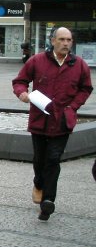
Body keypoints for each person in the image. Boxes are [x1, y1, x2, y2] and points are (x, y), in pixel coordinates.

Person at [12, 26, 92, 220]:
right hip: (40, 119)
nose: (66, 43)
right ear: (53, 41)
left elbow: (86, 88)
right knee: (40, 160)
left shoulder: (79, 64)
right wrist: (22, 92)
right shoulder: (37, 61)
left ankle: (48, 201)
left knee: (54, 159)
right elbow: (20, 81)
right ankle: (38, 183)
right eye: (62, 39)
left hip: (63, 120)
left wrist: (73, 107)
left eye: (69, 40)